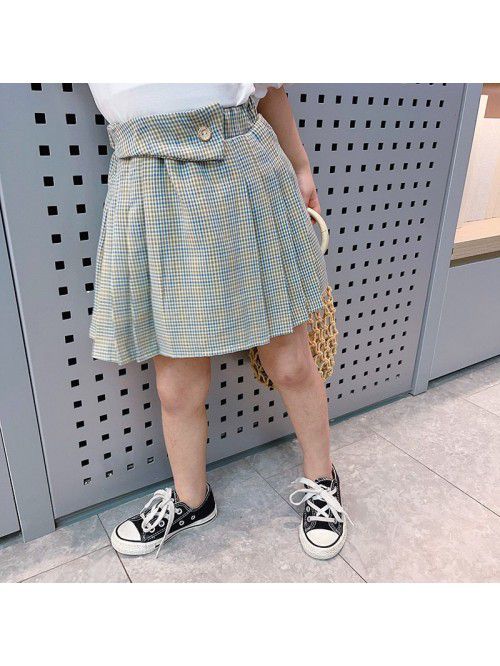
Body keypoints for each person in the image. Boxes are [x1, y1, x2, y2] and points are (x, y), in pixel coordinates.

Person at [88, 83, 349, 560]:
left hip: (243, 165)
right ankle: (192, 500)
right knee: (177, 385)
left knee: (291, 362)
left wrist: (301, 166)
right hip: (148, 182)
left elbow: (270, 87)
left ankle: (322, 478)